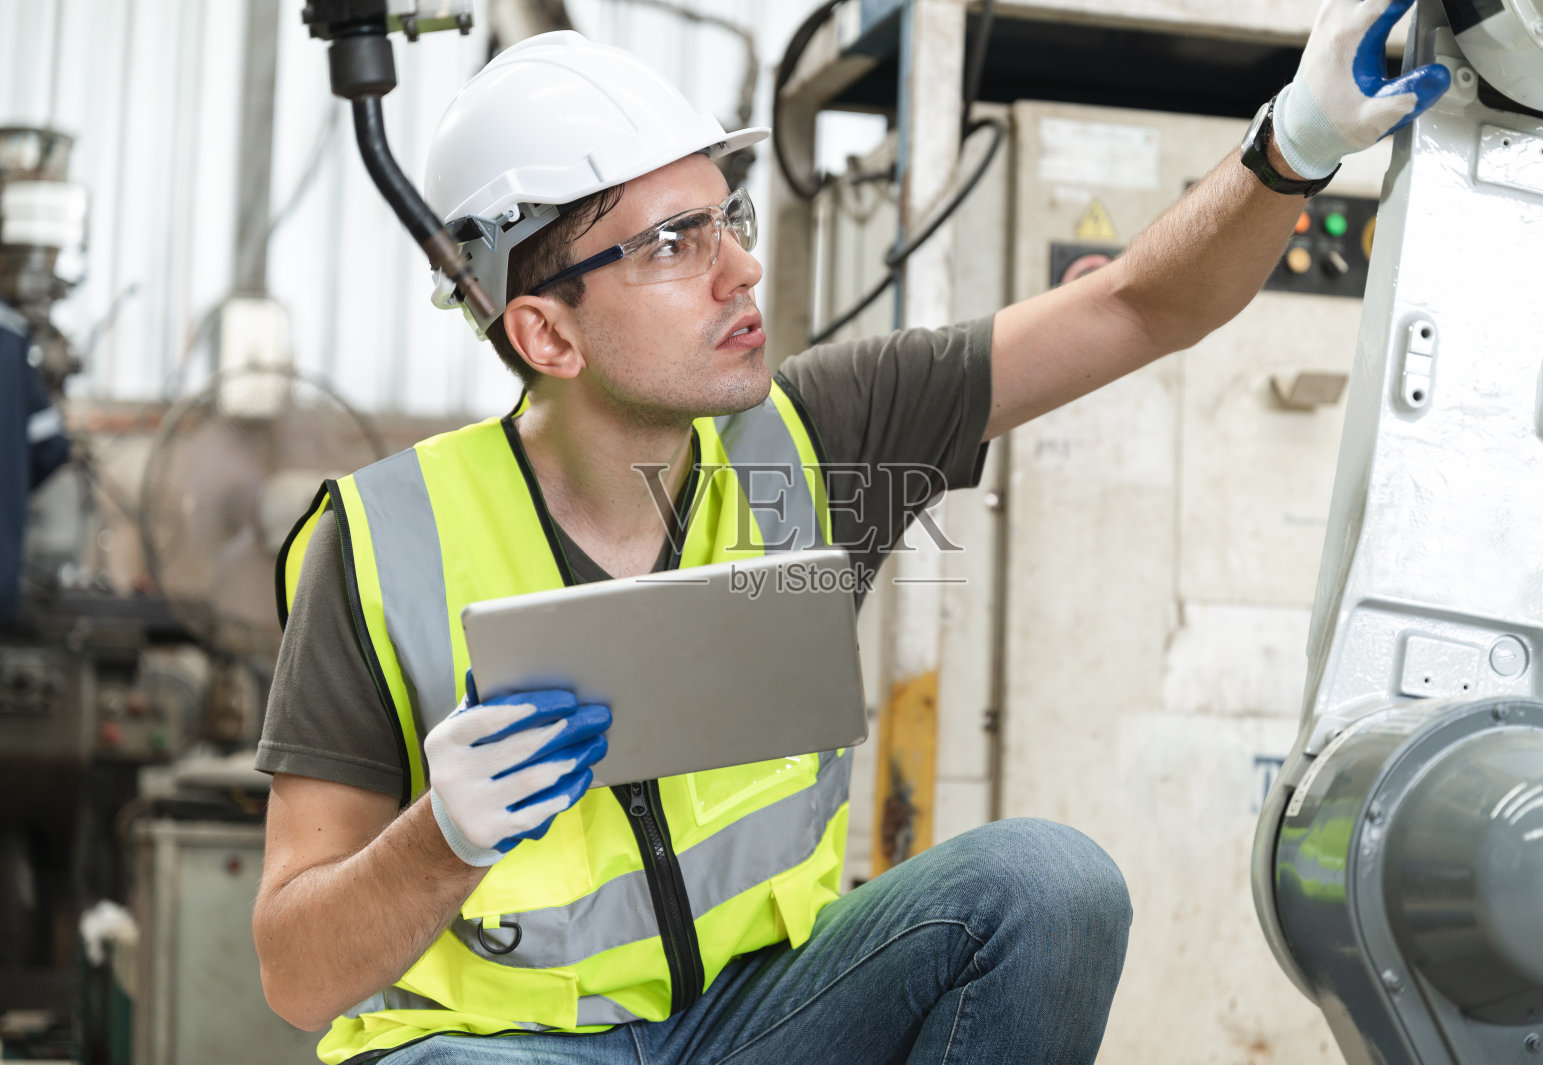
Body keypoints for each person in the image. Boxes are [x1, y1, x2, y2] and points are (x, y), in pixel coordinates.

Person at [252, 4, 1450, 1062]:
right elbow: (298, 977)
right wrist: (440, 839)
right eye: (671, 245)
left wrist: (1290, 145)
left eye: (722, 217)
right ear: (544, 335)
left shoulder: (818, 443)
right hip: (496, 1046)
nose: (742, 269)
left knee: (1047, 886)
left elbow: (1136, 306)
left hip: (764, 1019)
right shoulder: (381, 545)